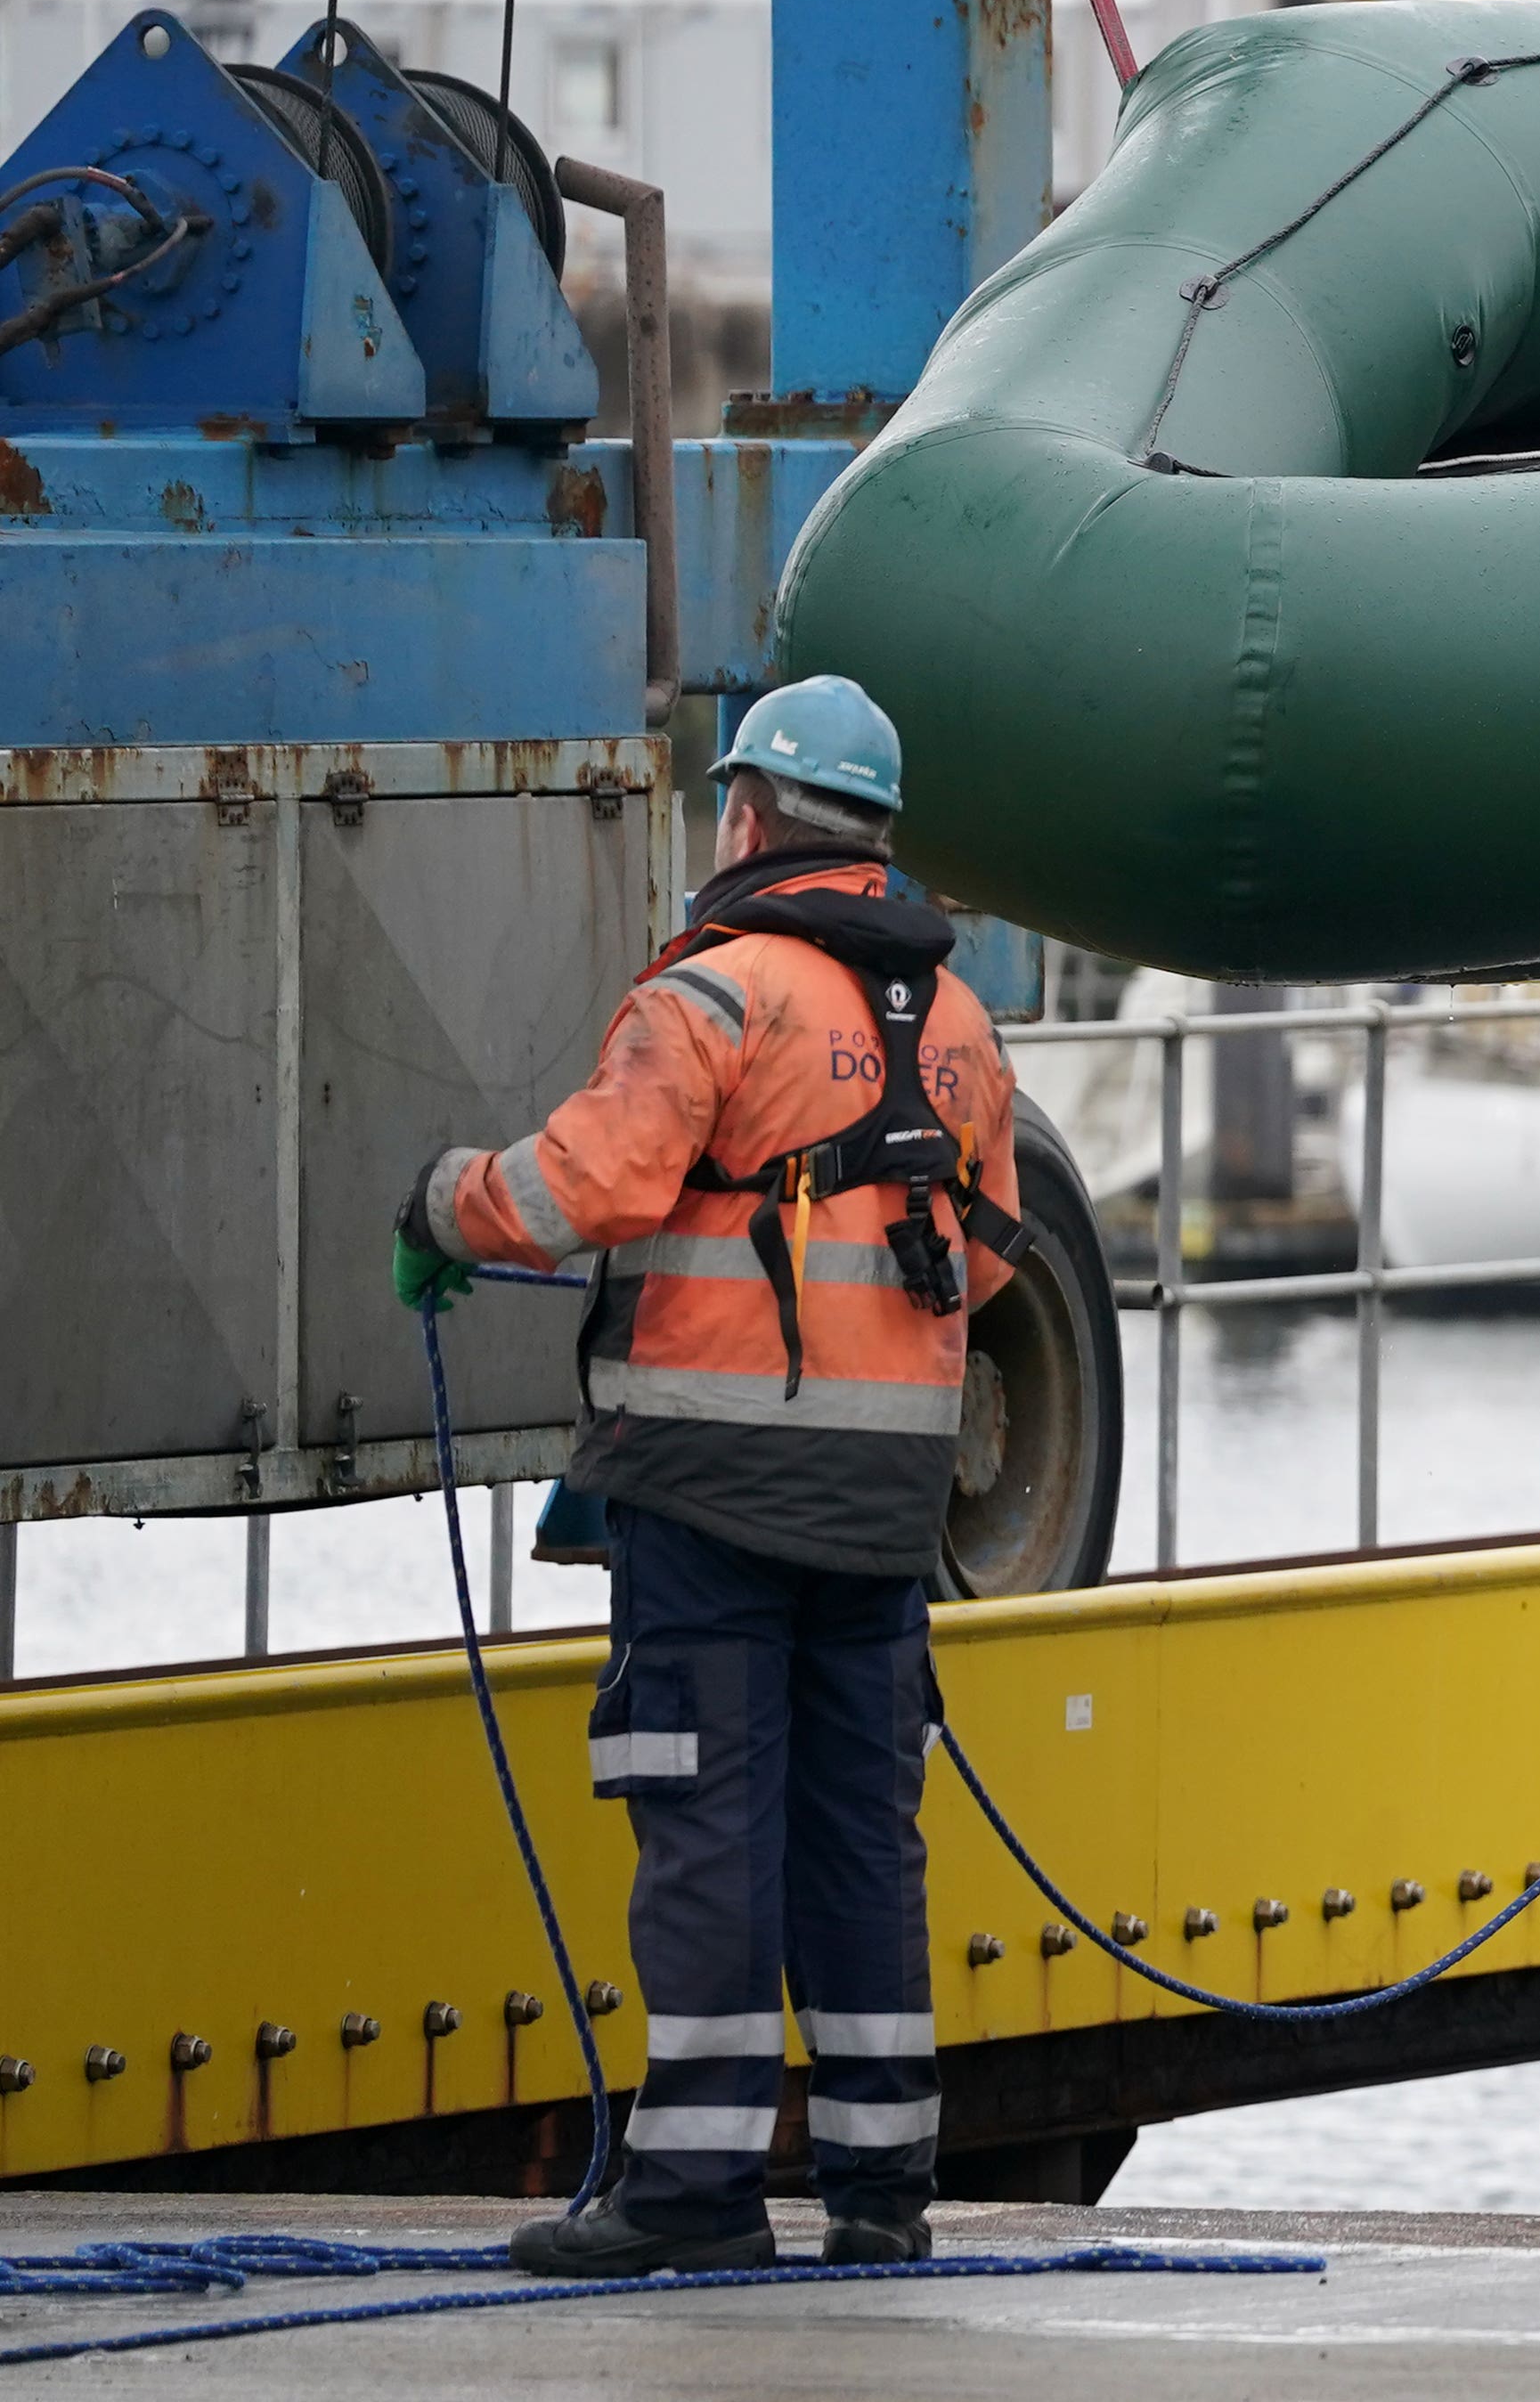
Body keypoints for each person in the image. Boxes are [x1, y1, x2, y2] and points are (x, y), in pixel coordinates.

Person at [396, 674, 1023, 2276]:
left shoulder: (713, 995)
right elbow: (993, 1263)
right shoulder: (956, 1022)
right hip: (888, 1509)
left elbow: (584, 1189)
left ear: (748, 815)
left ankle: (692, 2193)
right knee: (862, 1833)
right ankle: (882, 2195)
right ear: (875, 832)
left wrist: (444, 1201)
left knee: (706, 1819)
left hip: (712, 1492)